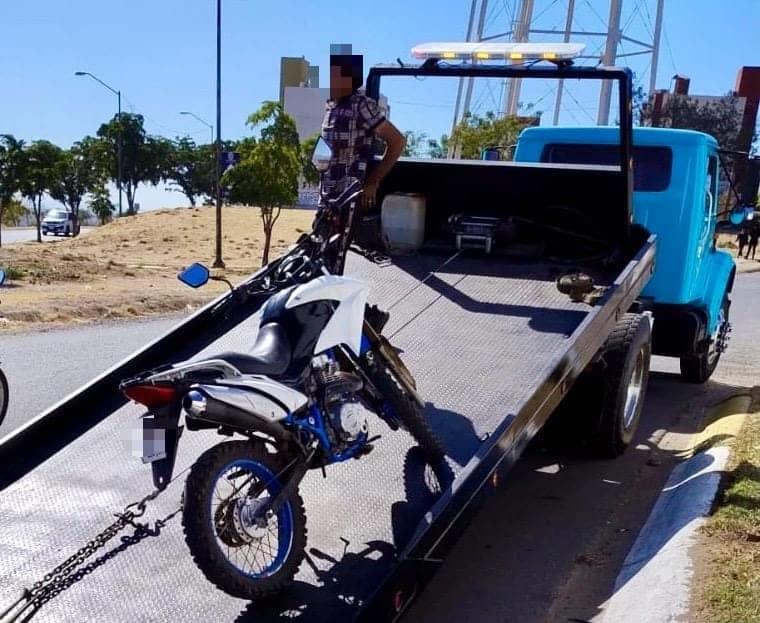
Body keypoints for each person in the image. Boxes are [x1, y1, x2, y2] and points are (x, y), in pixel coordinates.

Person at [315, 44, 406, 276]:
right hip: (326, 199)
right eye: (331, 74)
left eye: (337, 75)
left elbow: (397, 142)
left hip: (348, 198)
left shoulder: (362, 105)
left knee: (334, 262)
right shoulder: (330, 106)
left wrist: (372, 182)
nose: (332, 80)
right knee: (317, 258)